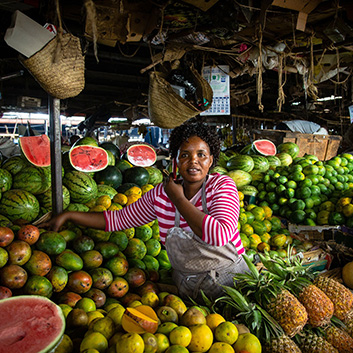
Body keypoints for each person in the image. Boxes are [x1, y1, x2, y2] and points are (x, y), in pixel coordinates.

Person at [40, 119, 248, 301]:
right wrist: (68, 215)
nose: (193, 160)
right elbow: (117, 220)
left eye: (201, 154)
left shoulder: (222, 185)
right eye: (185, 155)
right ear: (175, 160)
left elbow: (219, 234)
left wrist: (177, 197)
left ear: (211, 160)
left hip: (232, 287)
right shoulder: (160, 194)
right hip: (188, 288)